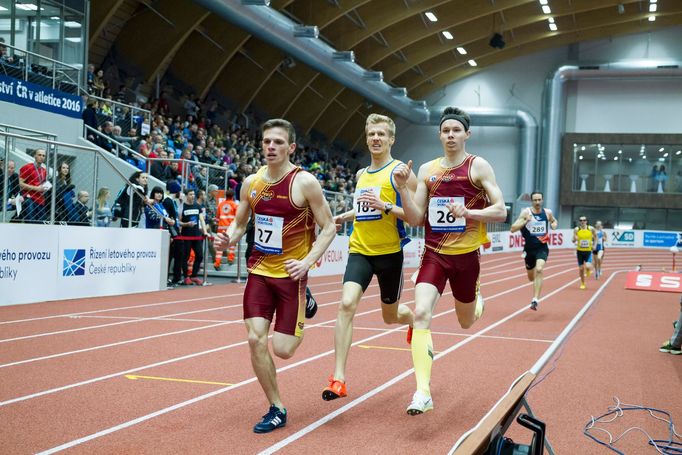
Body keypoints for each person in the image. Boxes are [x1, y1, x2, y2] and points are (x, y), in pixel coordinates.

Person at [213, 118, 336, 433]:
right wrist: (228, 238)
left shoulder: (304, 182)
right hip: (259, 272)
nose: (271, 146)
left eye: (278, 142)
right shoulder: (252, 183)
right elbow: (240, 224)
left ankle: (304, 300)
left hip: (291, 275)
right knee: (255, 339)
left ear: (291, 147)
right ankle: (276, 407)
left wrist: (307, 262)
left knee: (283, 349)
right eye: (267, 141)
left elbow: (330, 226)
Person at [396, 106, 506, 415]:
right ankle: (422, 392)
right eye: (446, 130)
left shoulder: (478, 166)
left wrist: (471, 213)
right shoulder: (428, 170)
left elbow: (500, 211)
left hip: (466, 257)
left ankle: (478, 298)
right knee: (421, 314)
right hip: (434, 255)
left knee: (465, 321)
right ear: (439, 134)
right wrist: (404, 187)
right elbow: (416, 218)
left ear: (467, 134)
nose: (450, 135)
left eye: (456, 130)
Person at [321, 113, 417, 402]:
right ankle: (338, 378)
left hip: (389, 254)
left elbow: (415, 216)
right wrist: (344, 216)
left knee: (391, 316)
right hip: (359, 249)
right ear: (367, 138)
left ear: (391, 139)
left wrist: (387, 205)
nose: (376, 138)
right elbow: (364, 207)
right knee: (346, 304)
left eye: (381, 134)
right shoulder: (361, 174)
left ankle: (413, 320)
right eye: (371, 134)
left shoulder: (401, 172)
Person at [510, 191, 558, 311]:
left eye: (539, 200)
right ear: (532, 201)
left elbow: (553, 221)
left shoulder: (547, 212)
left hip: (542, 247)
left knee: (540, 269)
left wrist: (554, 224)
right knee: (531, 277)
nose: (537, 202)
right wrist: (525, 221)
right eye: (535, 200)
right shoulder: (526, 212)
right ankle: (534, 284)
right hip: (529, 249)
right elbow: (512, 229)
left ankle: (535, 299)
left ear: (542, 200)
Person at [177, 188, 208, 286]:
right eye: (190, 194)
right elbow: (178, 222)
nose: (193, 196)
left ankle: (194, 276)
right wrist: (186, 224)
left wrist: (205, 231)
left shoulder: (197, 206)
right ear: (186, 195)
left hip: (197, 235)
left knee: (199, 255)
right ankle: (186, 277)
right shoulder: (182, 207)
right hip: (186, 236)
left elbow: (201, 220)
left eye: (193, 194)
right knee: (185, 257)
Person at [19, 148, 50, 223]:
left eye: (43, 155)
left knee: (40, 224)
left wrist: (45, 188)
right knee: (30, 223)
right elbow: (20, 184)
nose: (41, 157)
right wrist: (36, 188)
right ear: (35, 156)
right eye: (39, 155)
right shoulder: (28, 167)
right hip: (30, 199)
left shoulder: (44, 170)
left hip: (40, 199)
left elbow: (41, 184)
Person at [214, 188, 239, 269]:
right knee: (232, 244)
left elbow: (217, 218)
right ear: (233, 196)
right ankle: (230, 259)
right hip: (230, 229)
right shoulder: (235, 205)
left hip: (221, 228)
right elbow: (237, 218)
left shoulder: (221, 205)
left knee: (220, 245)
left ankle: (217, 263)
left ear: (226, 195)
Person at [572, 216, 597, 290]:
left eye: (584, 220)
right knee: (581, 269)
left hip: (588, 251)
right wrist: (574, 239)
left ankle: (588, 270)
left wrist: (594, 245)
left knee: (588, 266)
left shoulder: (591, 228)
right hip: (579, 251)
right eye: (581, 220)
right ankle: (582, 283)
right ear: (579, 222)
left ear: (586, 221)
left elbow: (596, 237)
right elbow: (573, 239)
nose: (582, 221)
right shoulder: (576, 229)